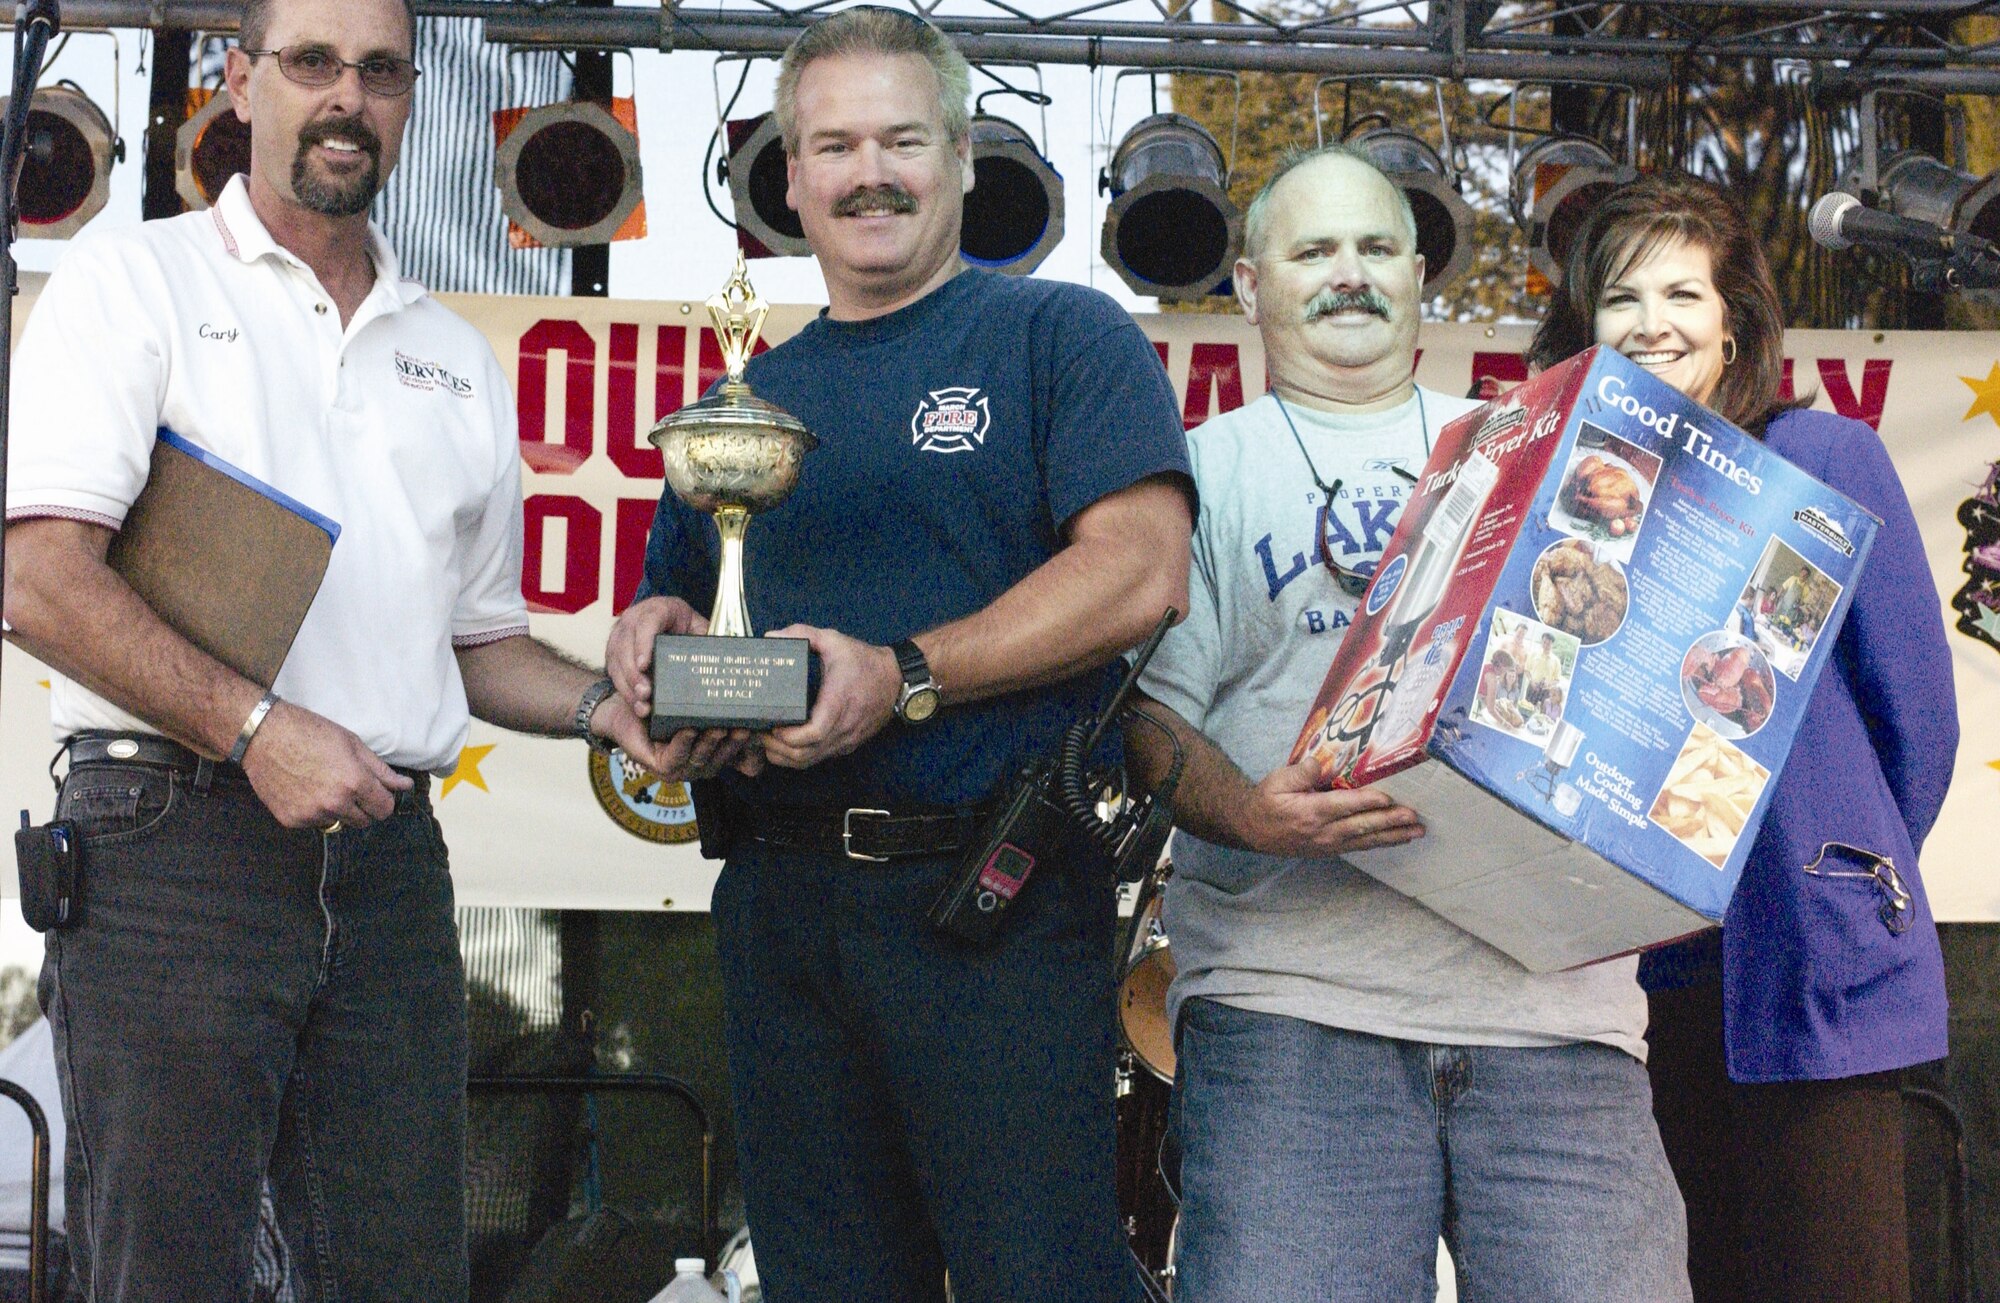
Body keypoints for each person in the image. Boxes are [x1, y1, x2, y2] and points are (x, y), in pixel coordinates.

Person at [2, 0, 672, 1296]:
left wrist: (609, 706)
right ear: (239, 80)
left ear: (412, 97)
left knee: (402, 1270)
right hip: (172, 838)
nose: (345, 97)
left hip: (385, 857)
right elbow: (36, 578)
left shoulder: (452, 354)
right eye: (311, 62)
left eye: (379, 70)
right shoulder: (135, 279)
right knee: (168, 1273)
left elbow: (481, 646)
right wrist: (257, 729)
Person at [603, 10, 1193, 1301]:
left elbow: (1140, 570)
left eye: (902, 140)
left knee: (1040, 1278)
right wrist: (649, 654)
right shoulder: (744, 403)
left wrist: (904, 673)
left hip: (987, 897)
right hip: (777, 903)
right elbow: (683, 613)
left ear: (964, 156)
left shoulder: (1059, 335)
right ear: (790, 175)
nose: (869, 173)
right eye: (834, 146)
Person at [1123, 144, 1690, 1302]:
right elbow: (1141, 721)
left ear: (1418, 274)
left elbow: (1638, 683)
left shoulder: (1538, 449)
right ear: (1248, 285)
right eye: (1313, 251)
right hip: (1292, 1006)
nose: (1349, 273)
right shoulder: (1193, 471)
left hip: (1558, 1021)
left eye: (1376, 247)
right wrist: (1248, 812)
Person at [1528, 171, 1957, 1303]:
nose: (1652, 323)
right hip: (1637, 966)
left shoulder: (1824, 457)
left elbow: (1916, 721)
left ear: (1734, 322)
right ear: (1585, 325)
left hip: (1811, 952)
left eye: (1682, 293)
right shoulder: (1577, 494)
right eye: (1621, 298)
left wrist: (1833, 852)